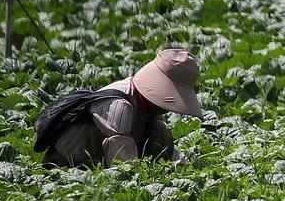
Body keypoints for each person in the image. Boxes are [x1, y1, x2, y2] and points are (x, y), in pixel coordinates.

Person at [40, 47, 202, 168]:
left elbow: (169, 152)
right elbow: (124, 170)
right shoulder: (119, 107)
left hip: (97, 164)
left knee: (159, 128)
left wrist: (186, 168)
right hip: (65, 168)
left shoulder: (146, 104)